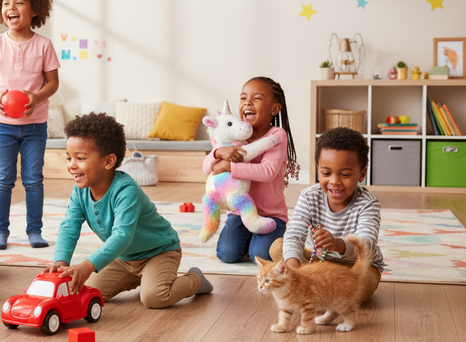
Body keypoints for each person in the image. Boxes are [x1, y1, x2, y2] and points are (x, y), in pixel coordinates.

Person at [42, 113, 213, 309]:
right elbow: (69, 227)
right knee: (86, 291)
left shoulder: (126, 190)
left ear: (108, 162)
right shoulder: (79, 192)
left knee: (154, 298)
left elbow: (122, 235)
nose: (71, 165)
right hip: (124, 258)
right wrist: (61, 261)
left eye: (80, 158)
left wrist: (89, 265)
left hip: (159, 252)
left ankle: (195, 280)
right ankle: (139, 279)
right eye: (69, 157)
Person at [0, 0, 60, 250]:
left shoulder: (44, 45)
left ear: (34, 8)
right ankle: (0, 231)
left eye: (19, 2)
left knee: (33, 179)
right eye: (5, 3)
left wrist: (36, 97)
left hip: (36, 125)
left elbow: (52, 83)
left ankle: (34, 231)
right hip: (3, 124)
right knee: (3, 178)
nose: (10, 7)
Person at [269, 127, 385, 301]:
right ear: (318, 170)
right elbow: (294, 235)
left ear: (361, 174)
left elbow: (366, 244)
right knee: (277, 247)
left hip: (355, 267)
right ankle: (313, 287)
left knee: (364, 285)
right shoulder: (309, 196)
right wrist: (294, 271)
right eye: (326, 173)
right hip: (316, 264)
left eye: (345, 174)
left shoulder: (368, 204)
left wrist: (338, 244)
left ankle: (318, 291)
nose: (334, 181)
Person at [203, 76, 299, 264]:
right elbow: (207, 168)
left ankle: (274, 240)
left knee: (261, 256)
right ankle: (248, 239)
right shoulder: (233, 136)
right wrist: (218, 153)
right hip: (239, 211)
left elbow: (267, 171)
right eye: (243, 97)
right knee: (227, 255)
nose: (247, 102)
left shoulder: (276, 136)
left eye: (256, 98)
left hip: (270, 214)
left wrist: (230, 166)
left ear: (275, 109)